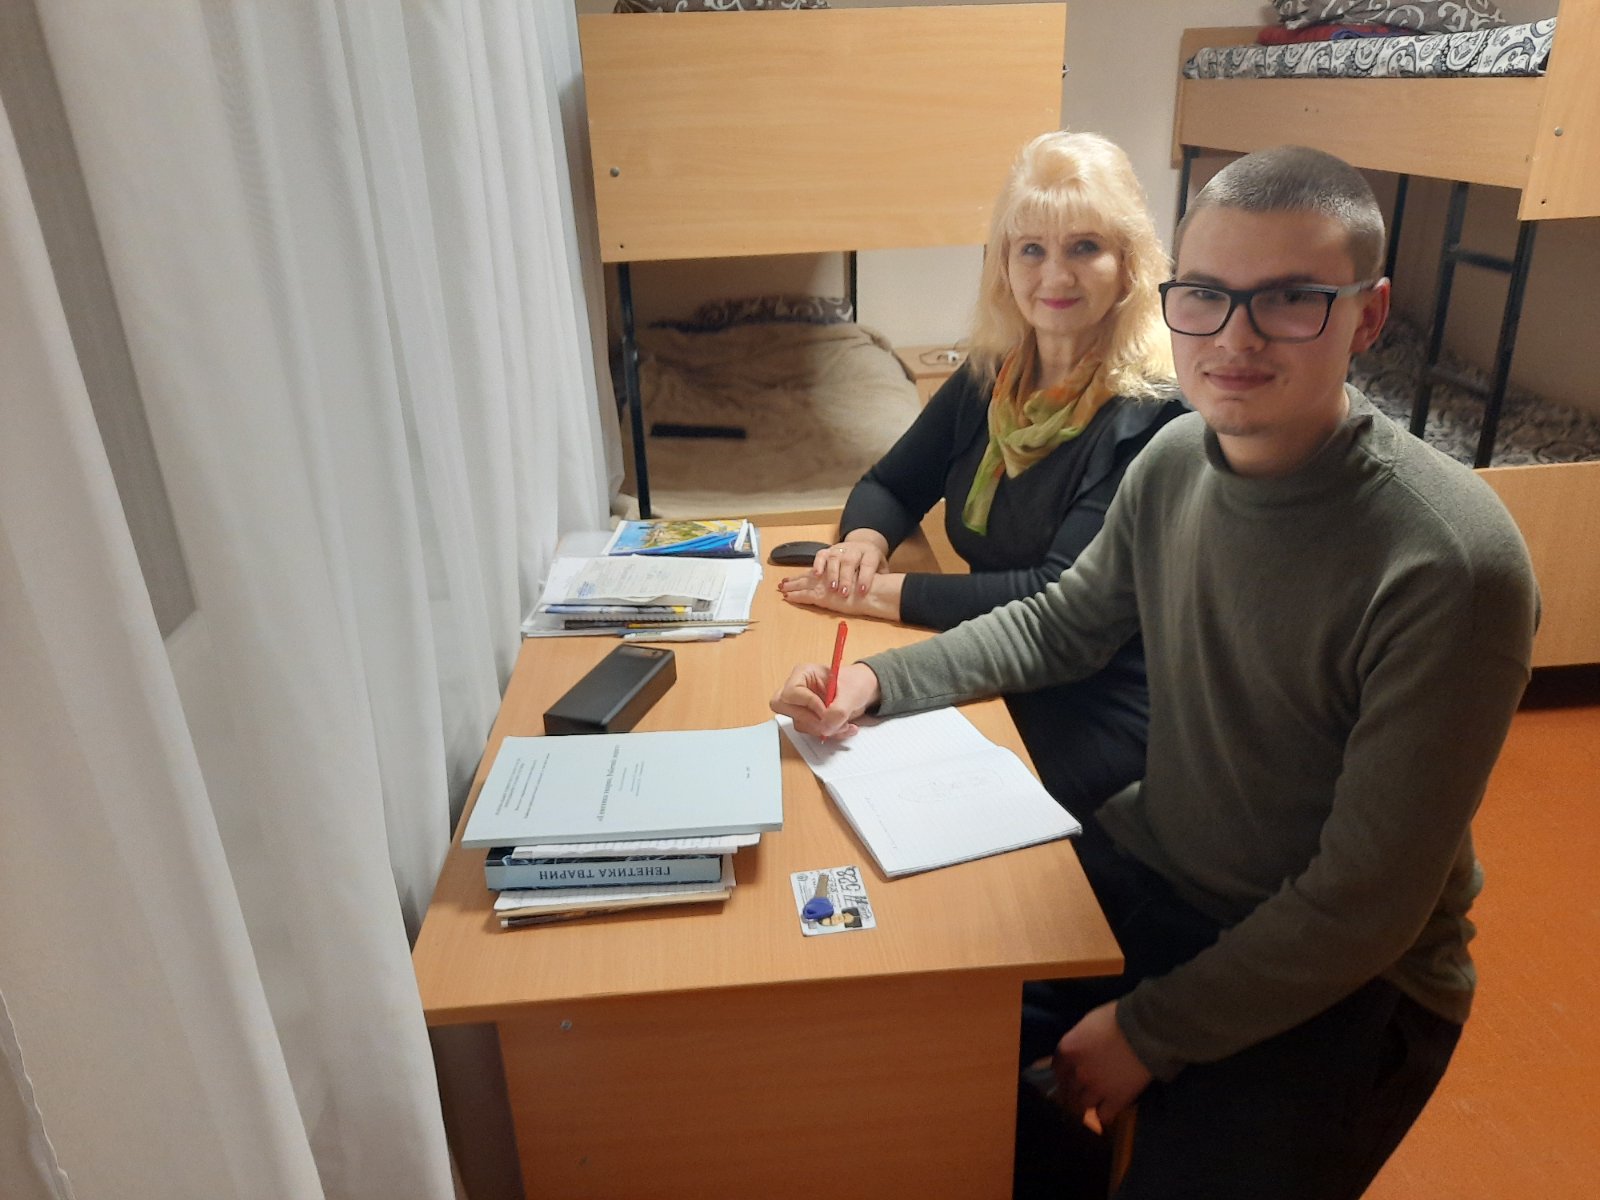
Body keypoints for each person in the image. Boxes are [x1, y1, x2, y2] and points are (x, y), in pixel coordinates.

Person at [770, 145, 1539, 1200]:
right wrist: (874, 685)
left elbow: (1364, 902)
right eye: (1208, 295)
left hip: (1348, 971)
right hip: (1161, 871)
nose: (1234, 337)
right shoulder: (1176, 464)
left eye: (1291, 300)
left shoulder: (1450, 560)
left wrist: (1147, 1032)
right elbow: (1060, 626)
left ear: (1368, 317)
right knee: (903, 1056)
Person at [777, 130, 1185, 817]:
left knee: (897, 800)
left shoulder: (1152, 415)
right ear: (1003, 263)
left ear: (1130, 264)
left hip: (1095, 703)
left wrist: (874, 595)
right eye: (1032, 249)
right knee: (819, 774)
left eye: (1084, 247)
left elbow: (1050, 598)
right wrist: (862, 545)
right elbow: (890, 485)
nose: (1054, 276)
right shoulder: (994, 377)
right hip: (993, 660)